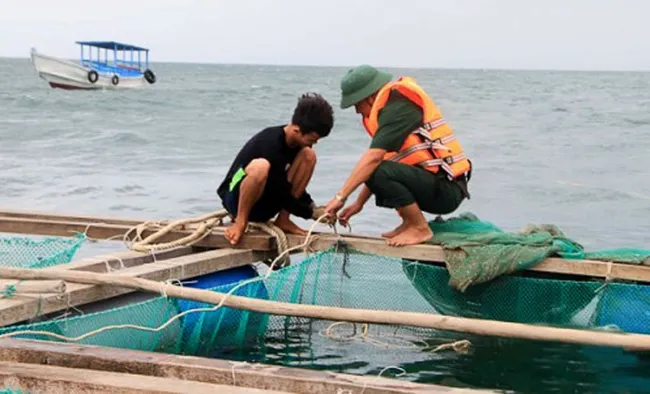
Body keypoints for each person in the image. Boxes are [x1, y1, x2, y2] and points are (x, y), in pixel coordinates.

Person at [324, 65, 472, 247]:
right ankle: (409, 223)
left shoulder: (399, 106)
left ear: (370, 96)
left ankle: (419, 227)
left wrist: (340, 198)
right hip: (433, 185)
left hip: (446, 189)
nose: (357, 111)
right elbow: (381, 162)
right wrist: (358, 203)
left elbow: (374, 160)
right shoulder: (388, 110)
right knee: (371, 169)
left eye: (357, 104)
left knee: (374, 168)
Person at [217, 92, 334, 245]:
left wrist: (316, 209)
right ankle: (240, 221)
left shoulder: (299, 146)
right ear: (296, 130)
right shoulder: (270, 143)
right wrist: (310, 213)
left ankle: (283, 220)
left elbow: (285, 185)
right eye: (311, 139)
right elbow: (279, 192)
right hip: (236, 199)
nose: (313, 144)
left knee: (308, 155)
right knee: (260, 167)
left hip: (268, 200)